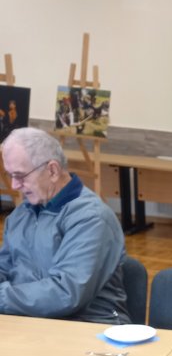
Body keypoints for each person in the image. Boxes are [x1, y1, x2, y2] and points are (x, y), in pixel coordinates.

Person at [0, 128, 130, 323]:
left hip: (88, 327)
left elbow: (66, 293)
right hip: (32, 322)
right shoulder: (21, 214)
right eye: (10, 175)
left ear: (52, 170)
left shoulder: (91, 218)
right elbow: (5, 268)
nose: (15, 186)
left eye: (20, 176)